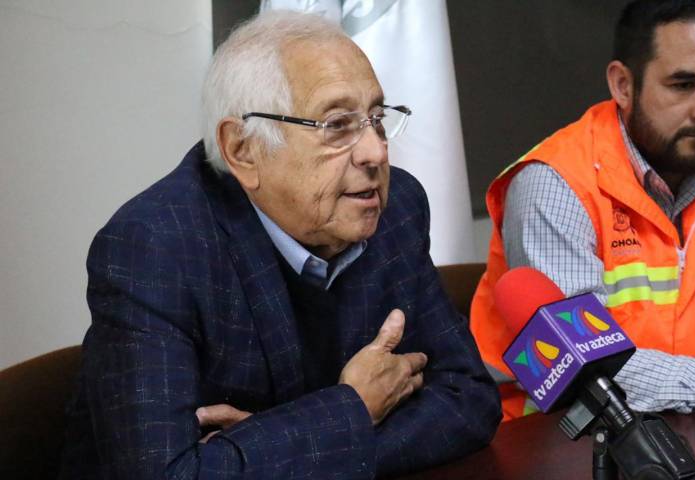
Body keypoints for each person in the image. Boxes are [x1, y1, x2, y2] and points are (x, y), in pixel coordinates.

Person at [59, 10, 501, 479]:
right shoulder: (155, 248)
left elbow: (469, 397)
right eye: (337, 125)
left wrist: (279, 449)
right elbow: (165, 475)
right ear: (243, 150)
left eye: (375, 118)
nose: (375, 151)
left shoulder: (396, 208)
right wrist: (352, 407)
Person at [470, 0, 695, 421]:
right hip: (554, 436)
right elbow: (591, 374)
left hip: (692, 425)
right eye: (683, 85)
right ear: (623, 85)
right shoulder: (555, 185)